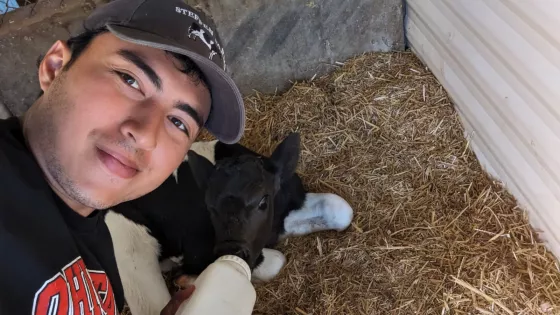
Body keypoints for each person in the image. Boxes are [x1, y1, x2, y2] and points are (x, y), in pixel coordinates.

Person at [0, 0, 253, 314]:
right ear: (54, 68)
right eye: (130, 80)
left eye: (178, 122)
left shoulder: (99, 244)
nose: (147, 135)